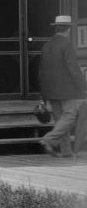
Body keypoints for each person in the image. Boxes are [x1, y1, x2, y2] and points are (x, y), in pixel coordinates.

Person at [38, 15, 87, 158]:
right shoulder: (66, 44)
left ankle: (66, 152)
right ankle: (49, 140)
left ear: (56, 29)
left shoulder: (46, 45)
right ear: (68, 30)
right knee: (69, 118)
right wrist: (83, 86)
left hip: (51, 90)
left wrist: (43, 94)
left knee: (61, 121)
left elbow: (41, 71)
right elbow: (73, 68)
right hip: (67, 89)